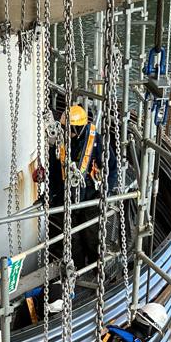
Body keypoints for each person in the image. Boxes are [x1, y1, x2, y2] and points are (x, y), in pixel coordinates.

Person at [48, 104, 105, 270]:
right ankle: (78, 271)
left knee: (92, 236)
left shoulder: (95, 142)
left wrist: (108, 190)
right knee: (72, 241)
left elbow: (111, 167)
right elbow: (53, 171)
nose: (66, 133)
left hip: (90, 197)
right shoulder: (60, 143)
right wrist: (51, 195)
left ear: (78, 128)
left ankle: (96, 268)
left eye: (69, 129)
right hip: (67, 198)